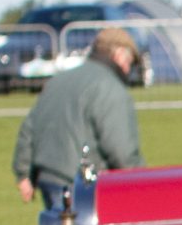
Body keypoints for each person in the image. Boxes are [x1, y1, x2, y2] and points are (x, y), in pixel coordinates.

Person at [11, 26, 144, 212]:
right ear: (120, 54)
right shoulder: (110, 87)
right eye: (130, 62)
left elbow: (29, 127)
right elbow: (121, 150)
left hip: (47, 177)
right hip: (81, 185)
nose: (129, 69)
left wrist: (23, 173)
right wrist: (140, 183)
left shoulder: (59, 80)